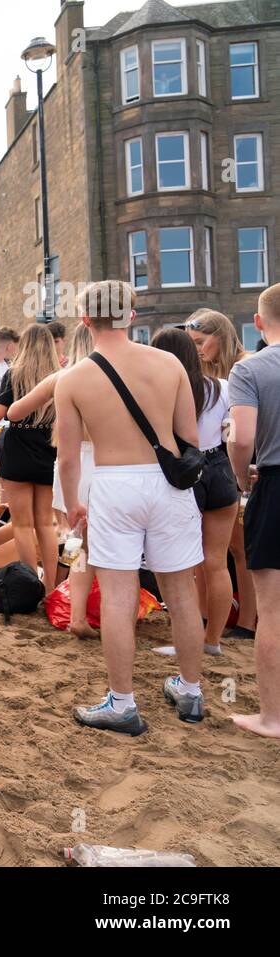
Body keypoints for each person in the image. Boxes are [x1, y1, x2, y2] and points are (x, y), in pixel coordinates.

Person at [58, 281, 205, 735]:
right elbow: (189, 441)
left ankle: (123, 702)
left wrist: (72, 506)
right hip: (167, 483)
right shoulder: (169, 364)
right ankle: (192, 691)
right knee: (181, 593)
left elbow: (66, 457)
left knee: (120, 597)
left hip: (113, 482)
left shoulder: (74, 378)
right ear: (133, 315)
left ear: (86, 321)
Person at [149, 327, 237, 659]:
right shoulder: (222, 387)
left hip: (183, 472)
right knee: (216, 563)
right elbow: (233, 431)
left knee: (180, 567)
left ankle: (187, 637)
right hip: (219, 468)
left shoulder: (161, 390)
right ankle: (212, 640)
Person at [11, 321, 98, 639]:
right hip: (109, 463)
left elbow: (15, 412)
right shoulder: (121, 375)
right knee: (111, 544)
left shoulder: (64, 377)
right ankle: (99, 607)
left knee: (77, 543)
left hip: (70, 464)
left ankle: (75, 610)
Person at [227, 283, 280, 738]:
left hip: (276, 483)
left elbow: (241, 439)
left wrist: (243, 480)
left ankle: (273, 716)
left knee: (273, 610)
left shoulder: (252, 368)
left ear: (259, 323)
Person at [187, 308, 256, 641]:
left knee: (241, 550)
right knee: (215, 551)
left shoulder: (246, 366)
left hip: (245, 466)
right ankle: (210, 620)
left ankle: (248, 621)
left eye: (201, 342)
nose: (198, 350)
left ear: (220, 337)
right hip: (221, 465)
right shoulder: (209, 373)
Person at [0, 324, 62, 593]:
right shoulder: (60, 376)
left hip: (19, 450)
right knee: (45, 524)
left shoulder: (14, 374)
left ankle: (31, 586)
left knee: (23, 525)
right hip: (50, 449)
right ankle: (50, 586)